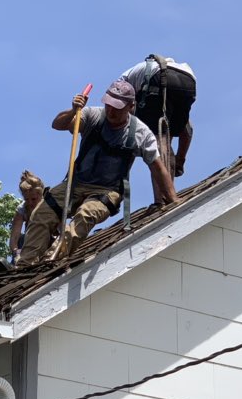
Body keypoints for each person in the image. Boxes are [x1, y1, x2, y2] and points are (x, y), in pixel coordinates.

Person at [17, 79, 178, 266]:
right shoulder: (92, 115)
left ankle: (50, 261)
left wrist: (174, 201)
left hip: (106, 191)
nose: (111, 111)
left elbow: (157, 168)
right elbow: (58, 124)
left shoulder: (140, 133)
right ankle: (25, 265)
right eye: (109, 105)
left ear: (131, 106)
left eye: (117, 108)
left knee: (85, 215)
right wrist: (73, 110)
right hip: (75, 184)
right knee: (42, 213)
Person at [120, 55, 197, 177]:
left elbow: (125, 123)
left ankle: (164, 189)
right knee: (172, 130)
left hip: (157, 79)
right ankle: (177, 164)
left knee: (160, 140)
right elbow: (188, 127)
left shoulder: (121, 85)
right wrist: (180, 158)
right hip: (188, 81)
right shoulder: (140, 73)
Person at [9, 171, 45, 259]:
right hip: (30, 242)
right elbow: (14, 237)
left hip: (48, 239)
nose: (30, 202)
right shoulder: (22, 209)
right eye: (26, 199)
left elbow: (62, 228)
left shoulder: (49, 204)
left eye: (33, 199)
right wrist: (16, 252)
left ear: (41, 195)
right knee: (22, 239)